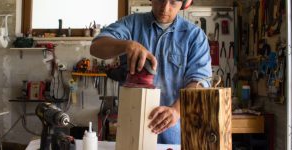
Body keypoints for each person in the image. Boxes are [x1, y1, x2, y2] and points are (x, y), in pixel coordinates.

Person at [90, 0, 212, 144]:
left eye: (173, 2)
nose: (165, 8)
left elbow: (200, 81)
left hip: (176, 136)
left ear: (185, 3)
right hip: (132, 132)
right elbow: (96, 47)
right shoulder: (132, 24)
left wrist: (177, 110)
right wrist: (127, 45)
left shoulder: (195, 36)